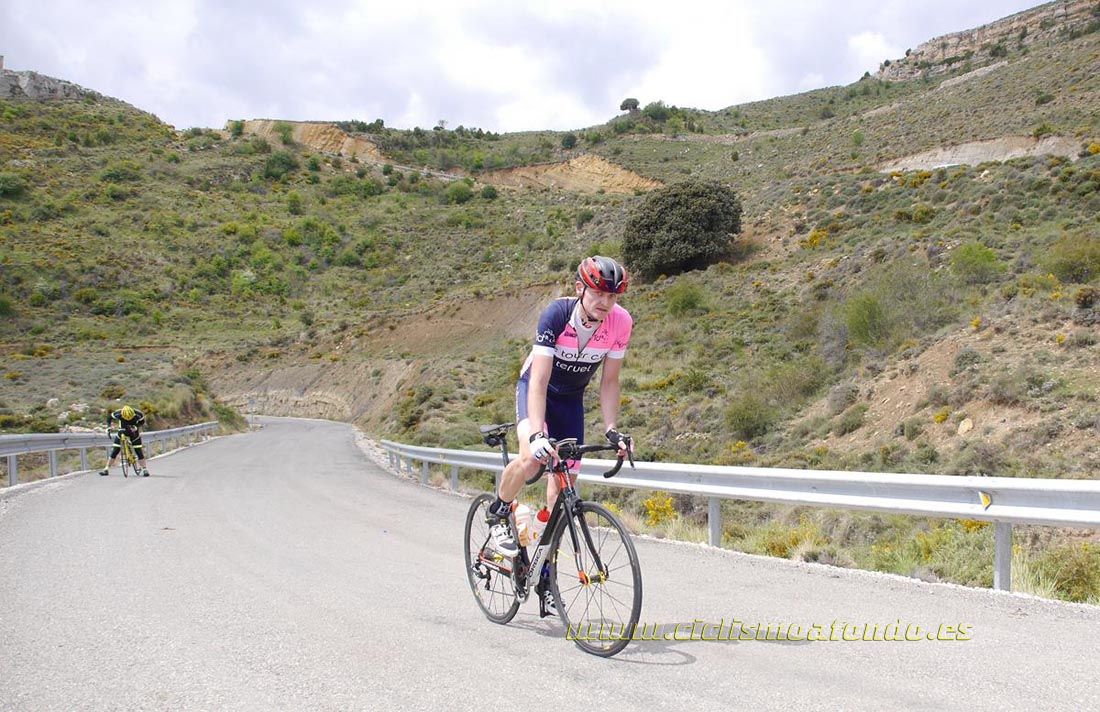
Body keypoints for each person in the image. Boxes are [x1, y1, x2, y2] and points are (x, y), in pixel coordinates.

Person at [486, 256, 634, 559]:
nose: (605, 302)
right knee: (531, 461)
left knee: (561, 496)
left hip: (570, 401)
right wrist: (537, 434)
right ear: (580, 288)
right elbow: (539, 380)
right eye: (598, 293)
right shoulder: (556, 314)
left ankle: (543, 573)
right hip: (538, 391)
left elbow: (609, 382)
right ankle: (498, 512)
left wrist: (611, 429)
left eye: (612, 296)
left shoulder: (621, 323)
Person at [99, 405, 150, 477]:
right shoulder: (118, 413)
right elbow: (109, 417)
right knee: (115, 450)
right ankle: (106, 469)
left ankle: (144, 469)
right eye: (126, 418)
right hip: (122, 431)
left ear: (133, 414)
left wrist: (136, 426)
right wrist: (108, 427)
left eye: (130, 418)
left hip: (134, 433)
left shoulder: (138, 414)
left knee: (138, 451)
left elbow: (142, 422)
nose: (128, 420)